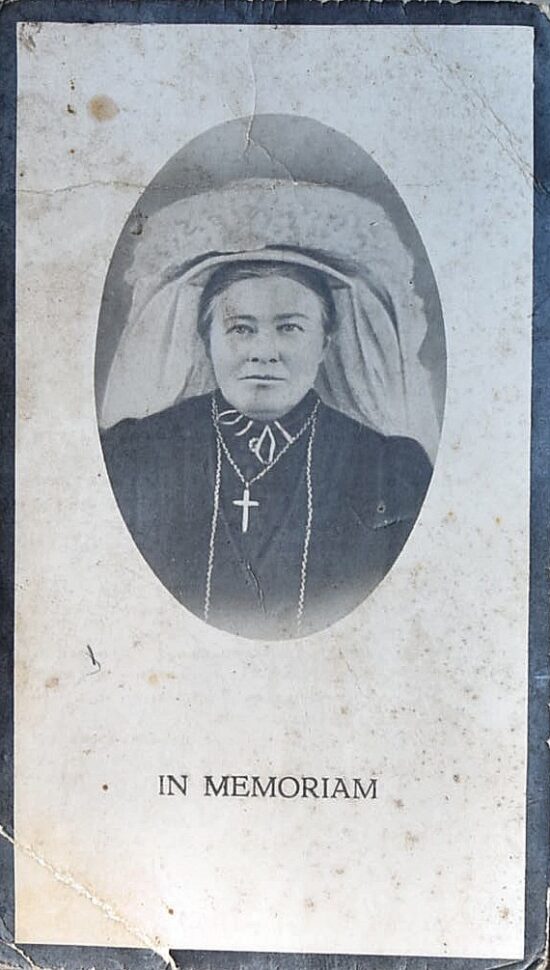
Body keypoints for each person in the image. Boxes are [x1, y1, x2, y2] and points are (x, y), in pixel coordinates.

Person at [101, 259, 432, 639]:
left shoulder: (389, 469)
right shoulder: (136, 455)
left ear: (324, 344)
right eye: (240, 328)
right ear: (207, 341)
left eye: (289, 328)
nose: (264, 353)